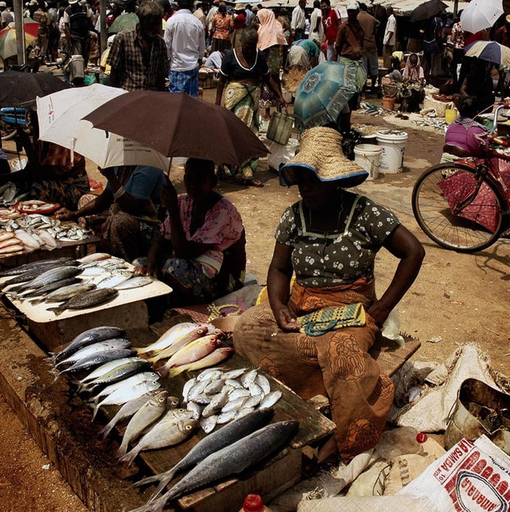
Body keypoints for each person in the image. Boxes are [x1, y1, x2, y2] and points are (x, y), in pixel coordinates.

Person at [233, 127, 424, 463]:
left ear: (335, 181)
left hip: (351, 311)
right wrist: (278, 305)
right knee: (246, 328)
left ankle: (343, 432)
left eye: (314, 179)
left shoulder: (366, 213)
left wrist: (380, 311)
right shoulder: (293, 217)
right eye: (301, 178)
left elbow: (414, 252)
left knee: (343, 355)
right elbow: (279, 270)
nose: (305, 187)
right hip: (301, 305)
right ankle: (322, 384)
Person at [135, 159, 247, 303]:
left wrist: (173, 211)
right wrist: (150, 263)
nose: (192, 185)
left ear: (212, 182)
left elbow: (185, 252)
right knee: (139, 264)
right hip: (191, 265)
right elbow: (162, 240)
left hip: (222, 277)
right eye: (188, 179)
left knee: (174, 269)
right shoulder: (183, 202)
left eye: (199, 180)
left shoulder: (223, 211)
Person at [216, 29, 285, 187]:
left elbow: (267, 77)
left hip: (252, 101)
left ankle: (246, 173)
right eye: (247, 46)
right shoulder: (231, 56)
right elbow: (221, 81)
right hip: (235, 99)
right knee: (232, 134)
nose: (250, 50)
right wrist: (217, 103)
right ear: (242, 43)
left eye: (253, 46)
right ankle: (226, 169)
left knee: (251, 134)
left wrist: (279, 95)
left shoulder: (259, 56)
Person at [56, 165, 166, 261]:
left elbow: (132, 207)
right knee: (85, 199)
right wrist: (75, 213)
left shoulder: (148, 168)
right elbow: (107, 197)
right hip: (119, 210)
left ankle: (124, 262)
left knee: (119, 222)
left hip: (147, 223)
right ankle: (92, 254)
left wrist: (111, 177)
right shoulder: (121, 164)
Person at [108, 1, 168, 91]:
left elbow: (161, 77)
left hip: (151, 97)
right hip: (128, 95)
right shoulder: (122, 39)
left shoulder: (160, 43)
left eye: (158, 23)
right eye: (152, 24)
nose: (156, 28)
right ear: (142, 21)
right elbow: (114, 74)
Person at [334, 1, 366, 130]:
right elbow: (337, 46)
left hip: (356, 62)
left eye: (353, 12)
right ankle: (342, 122)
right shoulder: (343, 27)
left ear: (357, 12)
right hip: (345, 61)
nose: (351, 14)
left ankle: (347, 120)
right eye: (349, 12)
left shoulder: (359, 27)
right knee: (344, 93)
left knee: (354, 93)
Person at [165, 0, 205, 97]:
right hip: (192, 66)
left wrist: (168, 60)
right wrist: (199, 60)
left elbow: (166, 45)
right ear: (192, 6)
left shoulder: (171, 21)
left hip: (176, 67)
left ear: (178, 6)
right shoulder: (197, 23)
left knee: (175, 102)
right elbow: (201, 48)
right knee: (191, 102)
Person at [256, 9, 287, 118]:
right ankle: (279, 109)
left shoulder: (264, 29)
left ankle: (267, 112)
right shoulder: (277, 25)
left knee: (267, 84)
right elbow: (284, 44)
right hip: (277, 60)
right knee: (276, 83)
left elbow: (263, 48)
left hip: (267, 61)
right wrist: (283, 63)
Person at [357, 4, 379, 92]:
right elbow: (376, 29)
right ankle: (373, 86)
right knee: (374, 67)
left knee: (364, 68)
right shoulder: (372, 18)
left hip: (362, 46)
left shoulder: (357, 18)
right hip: (372, 45)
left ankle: (363, 88)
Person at [422, 13, 444, 78]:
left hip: (425, 44)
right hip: (434, 44)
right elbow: (439, 33)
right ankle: (434, 78)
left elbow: (421, 32)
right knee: (435, 63)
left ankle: (424, 76)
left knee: (425, 63)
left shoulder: (424, 21)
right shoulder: (437, 20)